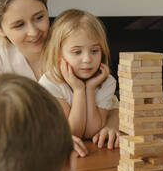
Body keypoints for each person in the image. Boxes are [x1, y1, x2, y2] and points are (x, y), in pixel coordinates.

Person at [0, 0, 119, 154]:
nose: (34, 32)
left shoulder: (66, 41)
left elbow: (109, 99)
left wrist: (113, 124)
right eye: (19, 25)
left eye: (39, 17)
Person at [39, 9, 120, 147]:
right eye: (77, 52)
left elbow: (91, 131)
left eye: (94, 51)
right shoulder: (50, 83)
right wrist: (78, 89)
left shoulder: (107, 81)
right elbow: (74, 132)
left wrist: (89, 89)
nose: (88, 59)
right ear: (58, 55)